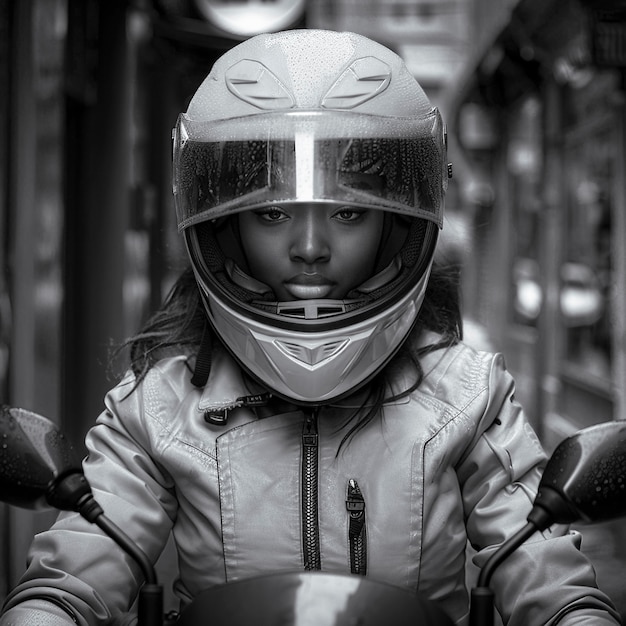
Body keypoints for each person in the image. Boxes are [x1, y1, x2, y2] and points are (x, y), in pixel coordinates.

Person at [0, 29, 620, 626]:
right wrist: (45, 610)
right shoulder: (162, 406)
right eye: (272, 212)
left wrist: (576, 613)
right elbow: (82, 565)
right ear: (223, 228)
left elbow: (541, 566)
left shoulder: (466, 395)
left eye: (347, 211)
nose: (310, 247)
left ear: (397, 227)